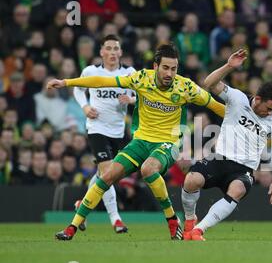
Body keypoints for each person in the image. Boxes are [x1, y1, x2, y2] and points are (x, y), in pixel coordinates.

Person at [47, 43, 226, 241]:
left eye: (173, 69)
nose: (169, 73)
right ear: (155, 66)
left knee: (148, 169)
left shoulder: (186, 87)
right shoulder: (142, 78)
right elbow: (102, 81)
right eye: (165, 68)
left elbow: (215, 105)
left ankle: (171, 219)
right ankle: (72, 228)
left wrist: (246, 121)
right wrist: (67, 82)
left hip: (168, 143)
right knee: (107, 176)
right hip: (140, 141)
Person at [181, 49, 272, 241]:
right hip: (220, 158)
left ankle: (199, 230)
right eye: (269, 108)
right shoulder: (237, 99)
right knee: (191, 180)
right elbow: (209, 83)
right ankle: (190, 220)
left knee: (238, 190)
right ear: (257, 99)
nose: (270, 113)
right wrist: (229, 66)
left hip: (244, 169)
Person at [73, 34, 136, 234]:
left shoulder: (129, 73)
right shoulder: (91, 71)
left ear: (121, 52)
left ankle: (82, 205)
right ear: (101, 52)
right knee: (108, 172)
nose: (112, 52)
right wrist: (85, 107)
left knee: (104, 175)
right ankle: (116, 220)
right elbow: (77, 89)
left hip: (118, 131)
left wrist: (131, 99)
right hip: (96, 128)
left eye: (115, 48)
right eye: (108, 48)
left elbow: (141, 93)